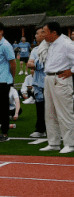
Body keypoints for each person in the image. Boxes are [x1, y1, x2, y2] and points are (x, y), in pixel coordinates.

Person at [38, 22, 74, 153]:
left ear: (53, 33)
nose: (42, 35)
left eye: (44, 32)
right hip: (49, 78)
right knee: (50, 113)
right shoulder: (50, 44)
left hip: (61, 78)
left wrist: (72, 71)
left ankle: (70, 143)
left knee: (64, 113)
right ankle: (53, 142)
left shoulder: (66, 43)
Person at [28, 26, 49, 140]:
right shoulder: (35, 50)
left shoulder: (50, 48)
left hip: (48, 81)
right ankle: (40, 129)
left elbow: (45, 64)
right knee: (40, 107)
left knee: (52, 108)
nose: (36, 36)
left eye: (38, 33)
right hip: (38, 82)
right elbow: (29, 64)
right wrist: (37, 63)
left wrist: (35, 64)